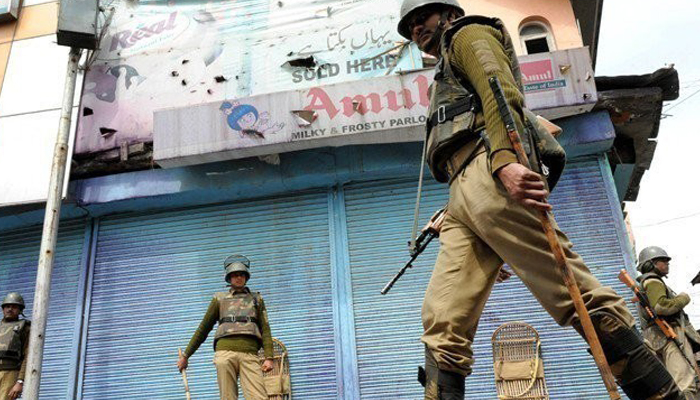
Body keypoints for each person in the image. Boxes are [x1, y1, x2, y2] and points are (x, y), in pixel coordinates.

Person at [396, 1, 685, 399]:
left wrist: (504, 162)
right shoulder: (444, 66)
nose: (416, 28)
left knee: (576, 295)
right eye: (409, 25)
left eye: (422, 17)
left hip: (488, 167)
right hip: (463, 191)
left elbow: (500, 93)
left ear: (448, 13)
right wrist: (466, 211)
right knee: (442, 317)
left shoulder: (467, 34)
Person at [177, 255, 274, 400]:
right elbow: (203, 329)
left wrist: (269, 357)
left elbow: (265, 330)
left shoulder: (256, 299)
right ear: (229, 278)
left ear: (246, 277)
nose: (238, 278)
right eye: (234, 275)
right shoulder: (219, 299)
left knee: (258, 397)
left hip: (250, 354)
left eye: (241, 274)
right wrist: (186, 355)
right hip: (224, 353)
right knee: (228, 397)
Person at [637, 246, 700, 399]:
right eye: (663, 261)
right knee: (686, 382)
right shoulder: (653, 281)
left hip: (658, 336)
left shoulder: (648, 282)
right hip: (669, 334)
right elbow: (661, 307)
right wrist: (683, 298)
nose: (667, 264)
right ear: (651, 264)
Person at [0, 292, 30, 400]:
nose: (10, 309)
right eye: (7, 306)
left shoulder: (24, 328)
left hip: (10, 373)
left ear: (20, 310)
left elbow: (28, 356)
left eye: (14, 307)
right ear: (3, 309)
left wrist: (20, 381)